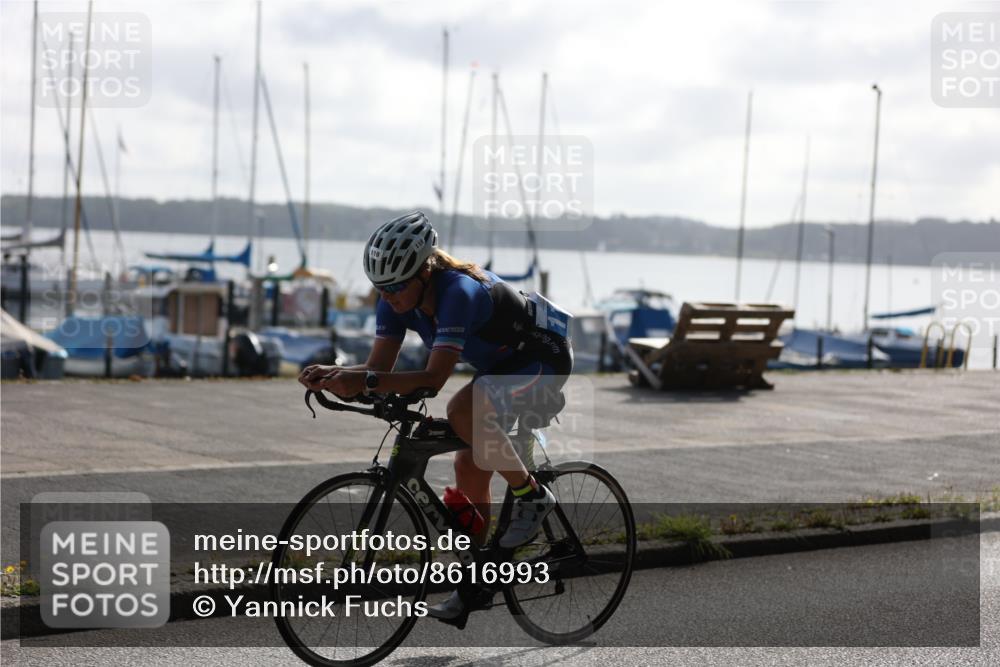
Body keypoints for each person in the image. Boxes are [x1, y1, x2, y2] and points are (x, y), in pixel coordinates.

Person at [299, 211, 573, 619]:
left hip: (542, 361)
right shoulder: (395, 301)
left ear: (424, 271)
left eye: (395, 286)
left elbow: (433, 377)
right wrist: (336, 373)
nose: (388, 294)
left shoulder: (458, 293)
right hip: (501, 367)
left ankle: (532, 496)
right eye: (380, 287)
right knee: (469, 465)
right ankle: (478, 580)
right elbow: (380, 367)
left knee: (461, 409)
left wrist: (367, 384)